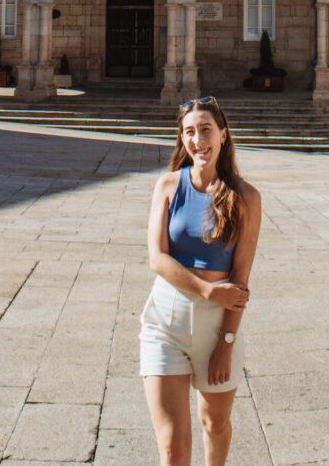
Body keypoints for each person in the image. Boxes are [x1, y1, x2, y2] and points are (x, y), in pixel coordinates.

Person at [140, 96, 261, 466]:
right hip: (165, 320)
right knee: (173, 447)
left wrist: (226, 342)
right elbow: (157, 258)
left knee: (215, 423)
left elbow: (240, 281)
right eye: (189, 132)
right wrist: (207, 290)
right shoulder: (167, 186)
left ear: (223, 135)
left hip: (217, 326)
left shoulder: (245, 197)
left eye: (206, 130)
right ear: (181, 138)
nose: (198, 140)